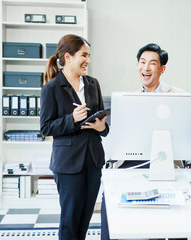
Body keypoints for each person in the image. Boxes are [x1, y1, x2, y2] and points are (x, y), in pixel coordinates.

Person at [100, 43, 184, 240]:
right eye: (142, 62)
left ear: (162, 69)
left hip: (166, 163)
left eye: (152, 63)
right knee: (109, 202)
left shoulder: (178, 96)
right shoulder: (128, 99)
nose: (145, 68)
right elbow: (120, 137)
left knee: (171, 220)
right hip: (131, 163)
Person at [40, 34, 109, 240]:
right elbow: (45, 127)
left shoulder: (92, 84)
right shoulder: (51, 88)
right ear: (68, 57)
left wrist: (101, 127)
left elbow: (103, 123)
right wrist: (71, 119)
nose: (88, 60)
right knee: (70, 221)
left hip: (93, 160)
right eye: (84, 55)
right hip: (68, 165)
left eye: (89, 55)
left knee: (85, 219)